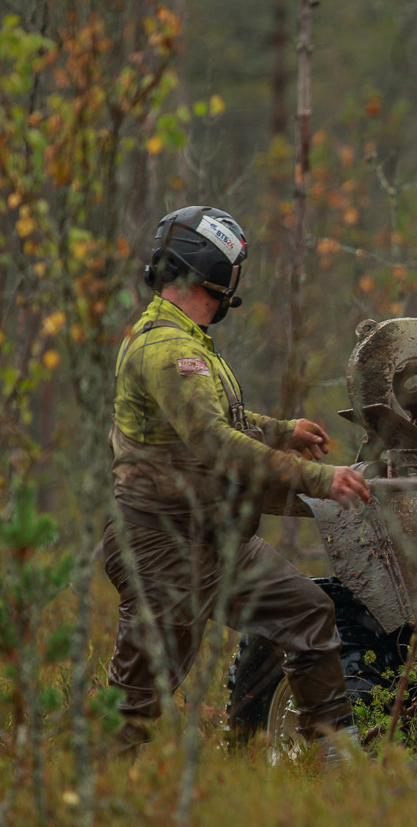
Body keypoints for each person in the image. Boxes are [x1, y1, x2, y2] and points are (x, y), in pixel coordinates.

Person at [101, 205, 372, 759]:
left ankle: (330, 760)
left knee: (307, 613)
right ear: (212, 276)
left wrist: (283, 430)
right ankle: (84, 798)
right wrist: (320, 479)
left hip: (217, 538)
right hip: (164, 546)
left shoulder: (191, 341)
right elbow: (217, 444)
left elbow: (224, 423)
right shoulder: (168, 350)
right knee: (140, 699)